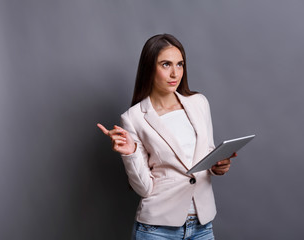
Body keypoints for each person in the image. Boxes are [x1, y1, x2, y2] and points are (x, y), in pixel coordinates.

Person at [97, 34, 237, 240]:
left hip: (202, 226)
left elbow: (206, 151)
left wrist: (218, 165)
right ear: (149, 68)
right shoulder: (133, 118)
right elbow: (144, 188)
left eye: (180, 65)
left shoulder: (199, 103)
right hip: (157, 230)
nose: (175, 73)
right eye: (166, 65)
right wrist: (131, 153)